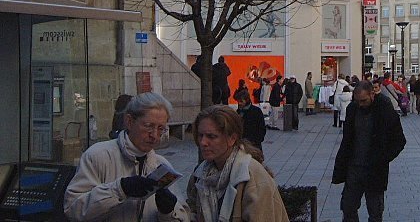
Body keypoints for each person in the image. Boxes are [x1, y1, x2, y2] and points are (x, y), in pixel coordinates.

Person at [64, 93, 186, 221]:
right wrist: (119, 189)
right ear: (129, 121)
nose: (154, 135)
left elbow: (183, 215)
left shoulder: (161, 165)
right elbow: (73, 209)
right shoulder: (97, 156)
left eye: (161, 128)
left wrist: (167, 213)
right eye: (148, 126)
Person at [188, 106, 289, 222]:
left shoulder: (253, 178)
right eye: (201, 135)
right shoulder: (200, 175)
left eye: (211, 136)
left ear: (232, 139)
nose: (203, 142)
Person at [332, 81, 406, 222]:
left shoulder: (384, 108)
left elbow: (399, 140)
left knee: (375, 212)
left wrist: (383, 158)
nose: (360, 104)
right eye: (358, 101)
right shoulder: (352, 109)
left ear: (372, 94)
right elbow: (347, 140)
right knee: (348, 207)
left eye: (364, 101)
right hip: (354, 169)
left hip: (374, 169)